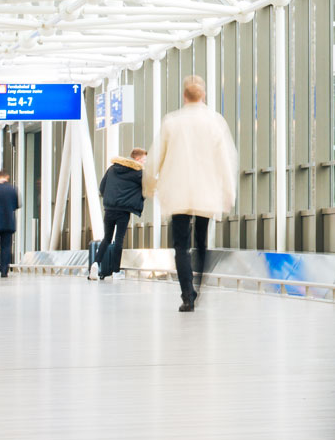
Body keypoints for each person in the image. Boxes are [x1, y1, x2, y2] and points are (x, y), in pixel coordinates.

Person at [143, 76, 237, 312]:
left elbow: (155, 158)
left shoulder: (171, 122)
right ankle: (197, 285)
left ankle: (187, 295)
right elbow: (226, 161)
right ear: (202, 95)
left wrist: (149, 186)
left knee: (181, 246)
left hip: (177, 194)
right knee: (201, 242)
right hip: (206, 193)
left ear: (184, 96)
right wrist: (229, 192)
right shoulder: (215, 122)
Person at [95, 148, 148, 279]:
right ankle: (116, 271)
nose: (145, 162)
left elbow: (102, 187)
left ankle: (95, 264)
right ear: (138, 159)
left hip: (109, 209)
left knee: (107, 238)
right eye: (144, 160)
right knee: (119, 240)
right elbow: (146, 189)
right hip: (123, 211)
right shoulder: (138, 172)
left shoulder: (112, 169)